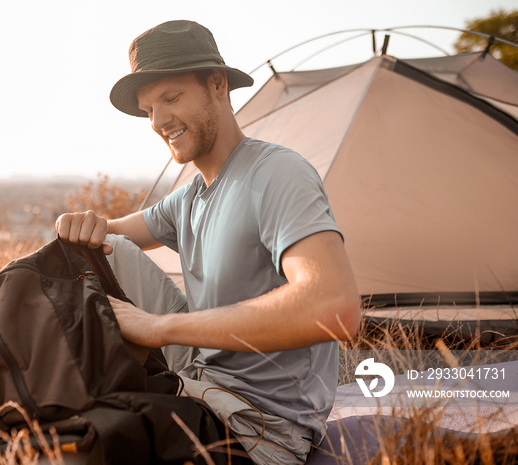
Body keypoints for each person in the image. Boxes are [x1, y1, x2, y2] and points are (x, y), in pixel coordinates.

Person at [56, 20, 359, 464]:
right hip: (199, 377)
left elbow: (335, 306)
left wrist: (157, 328)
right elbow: (110, 233)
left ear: (218, 84)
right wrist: (81, 224)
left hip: (259, 424)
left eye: (171, 98)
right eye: (148, 110)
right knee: (101, 248)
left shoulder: (276, 173)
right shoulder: (190, 197)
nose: (158, 121)